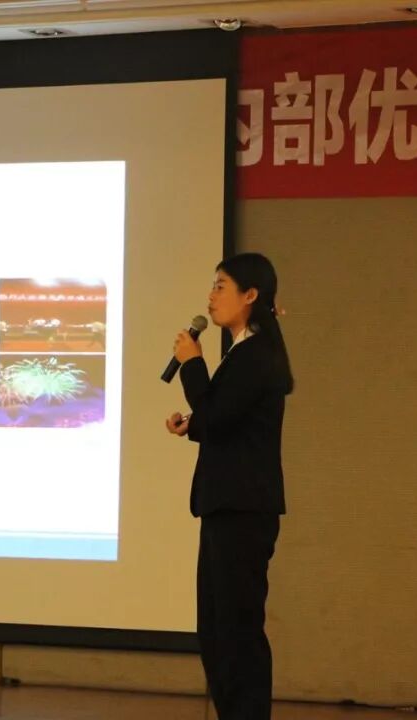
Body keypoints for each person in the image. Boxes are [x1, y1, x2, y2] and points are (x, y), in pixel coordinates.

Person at [165, 252, 293, 720]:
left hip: (243, 508)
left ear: (250, 295)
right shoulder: (244, 352)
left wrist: (191, 364)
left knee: (236, 632)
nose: (211, 295)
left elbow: (219, 415)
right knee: (217, 631)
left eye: (221, 285)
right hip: (228, 506)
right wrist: (192, 423)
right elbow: (223, 418)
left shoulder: (255, 353)